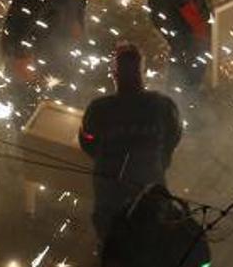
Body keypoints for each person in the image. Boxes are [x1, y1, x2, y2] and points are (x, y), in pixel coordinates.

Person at [78, 43, 183, 240]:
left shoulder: (99, 109)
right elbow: (174, 137)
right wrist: (160, 158)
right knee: (154, 240)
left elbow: (87, 142)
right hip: (152, 192)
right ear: (143, 72)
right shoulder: (163, 105)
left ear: (114, 74)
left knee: (112, 245)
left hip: (110, 199)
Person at [1, 0, 112, 99]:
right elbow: (19, 23)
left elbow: (80, 0)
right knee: (25, 99)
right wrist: (21, 56)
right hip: (26, 50)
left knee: (55, 94)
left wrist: (77, 22)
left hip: (52, 49)